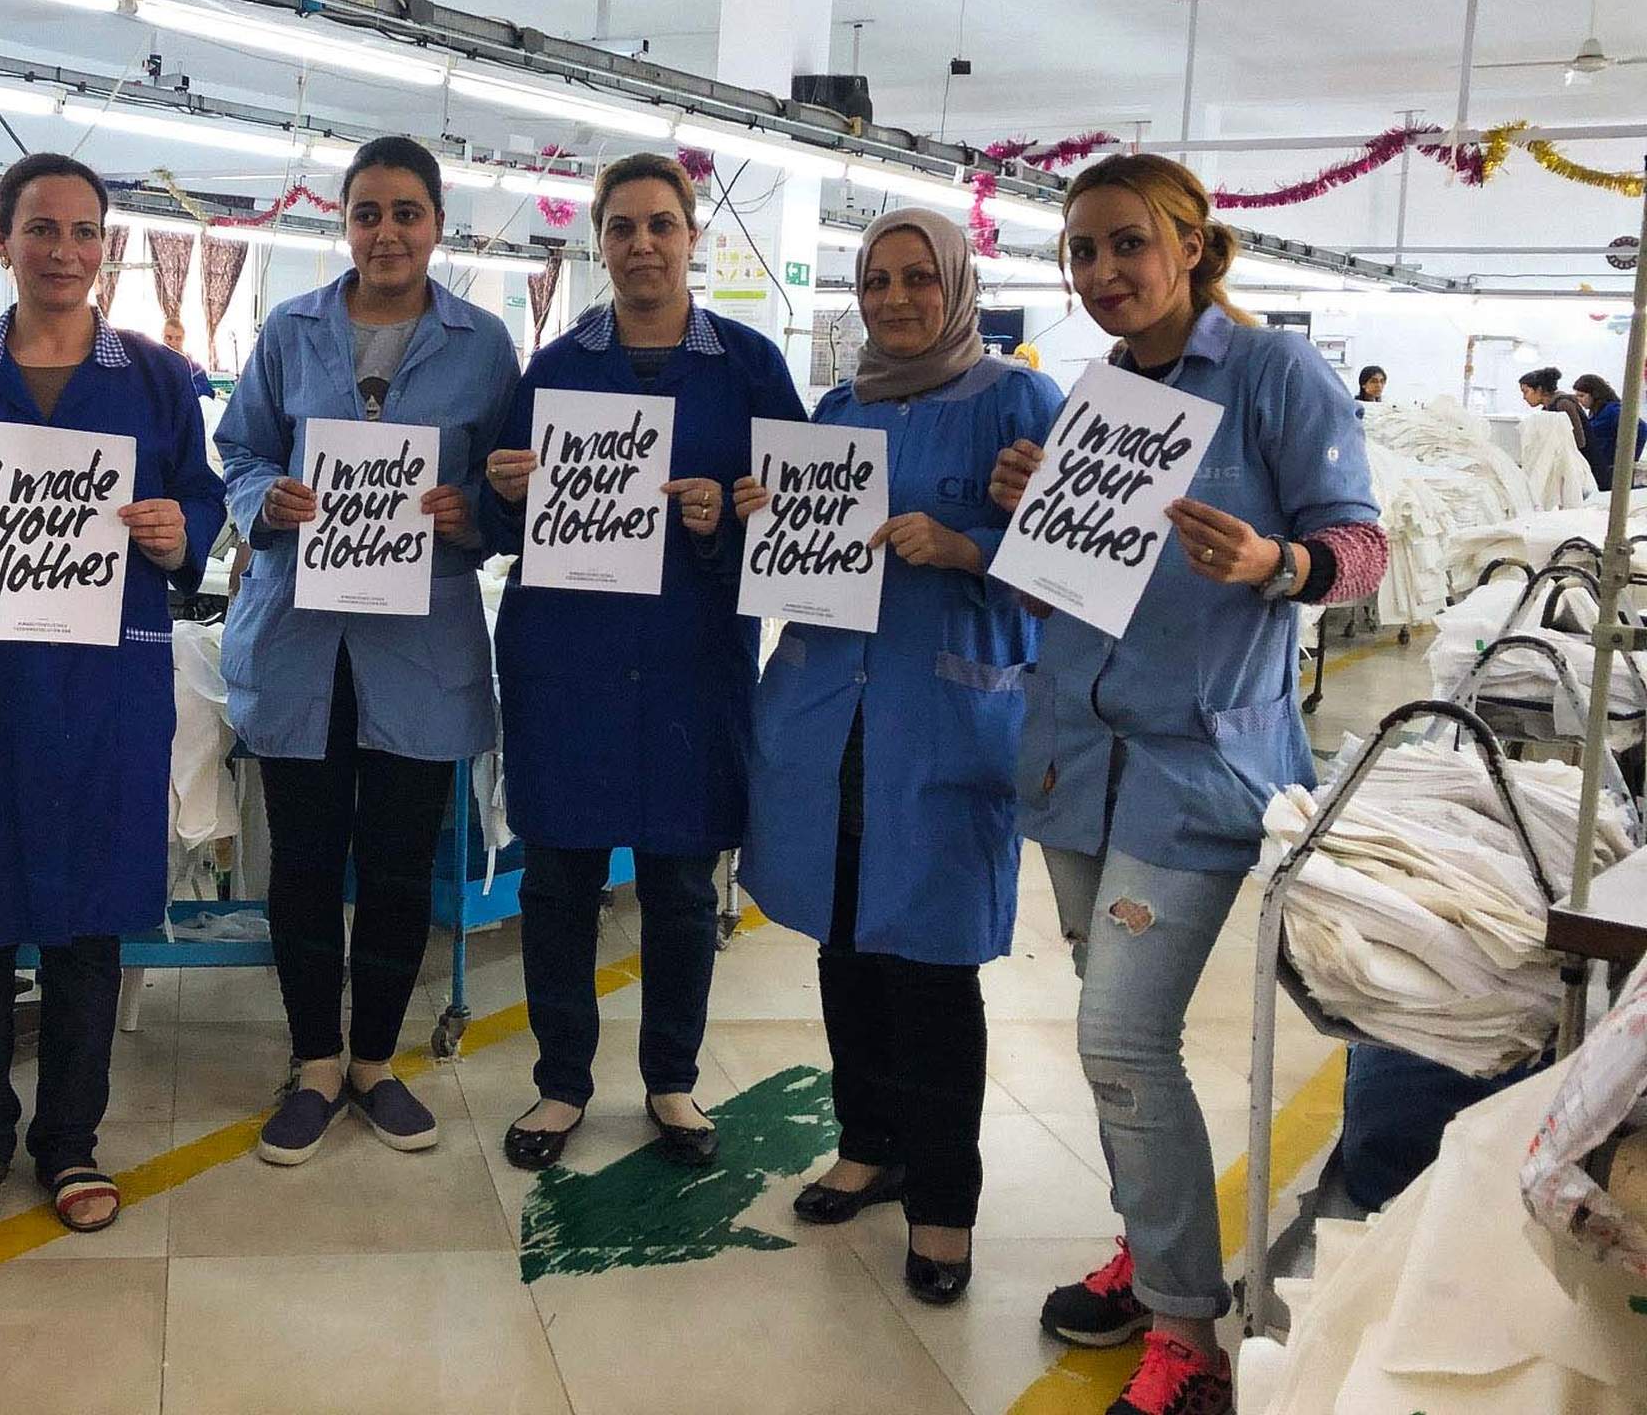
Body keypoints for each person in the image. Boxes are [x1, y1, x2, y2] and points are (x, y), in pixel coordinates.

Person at [987, 153, 1386, 1415]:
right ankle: (1148, 1244)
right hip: (1076, 756)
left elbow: (1364, 546)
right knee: (1114, 1053)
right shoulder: (1097, 399)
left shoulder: (1273, 377)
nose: (1104, 273)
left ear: (1191, 243)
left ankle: (1187, 1338)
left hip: (1197, 763)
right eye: (1083, 252)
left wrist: (1279, 560)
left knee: (1120, 1040)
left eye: (1126, 245)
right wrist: (1024, 510)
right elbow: (1065, 575)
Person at [0, 152, 223, 1233]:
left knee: (86, 922)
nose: (64, 251)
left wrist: (177, 533)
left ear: (104, 245)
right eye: (41, 230)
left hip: (105, 682)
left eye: (83, 231)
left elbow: (201, 509)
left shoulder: (159, 379)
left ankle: (71, 1141)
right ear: (3, 240)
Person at [737, 208, 1062, 1308]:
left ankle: (944, 1205)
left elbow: (1076, 567)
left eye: (918, 278)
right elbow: (793, 563)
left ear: (958, 284)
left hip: (944, 720)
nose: (895, 299)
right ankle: (869, 1144)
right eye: (875, 280)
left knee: (928, 969)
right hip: (827, 718)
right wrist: (762, 518)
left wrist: (968, 546)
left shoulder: (1018, 401)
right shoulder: (835, 409)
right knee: (842, 944)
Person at [484, 153, 805, 1172]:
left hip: (690, 662)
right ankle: (560, 1083)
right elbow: (497, 523)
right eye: (621, 228)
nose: (642, 246)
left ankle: (672, 1079)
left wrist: (723, 518)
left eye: (661, 225)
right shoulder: (556, 368)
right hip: (568, 665)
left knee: (677, 884)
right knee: (559, 882)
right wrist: (501, 485)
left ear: (693, 235)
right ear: (598, 239)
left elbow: (799, 528)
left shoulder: (751, 368)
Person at [215, 136, 518, 1164]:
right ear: (343, 225)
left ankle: (377, 1061)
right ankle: (312, 1063)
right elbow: (240, 447)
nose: (387, 232)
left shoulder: (483, 344)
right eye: (367, 213)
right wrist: (269, 499)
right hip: (301, 637)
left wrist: (465, 509)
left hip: (419, 643)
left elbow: (515, 483)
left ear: (437, 226)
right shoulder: (289, 330)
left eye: (407, 213)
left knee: (396, 867)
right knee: (303, 863)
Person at [1574, 371, 1645, 492]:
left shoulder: (1612, 411)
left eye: (1582, 396)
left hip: (1613, 469)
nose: (1579, 400)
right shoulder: (1596, 412)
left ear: (1594, 395)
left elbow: (1641, 428)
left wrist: (1628, 458)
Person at [1520, 365, 1590, 454]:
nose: (1524, 397)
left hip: (1583, 462)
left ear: (1539, 389)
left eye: (1526, 392)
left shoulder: (1563, 404)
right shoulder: (1547, 409)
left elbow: (1579, 441)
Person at [163, 316, 215, 398]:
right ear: (162, 337)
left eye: (178, 338)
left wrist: (181, 391)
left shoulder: (195, 368)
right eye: (168, 338)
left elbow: (207, 391)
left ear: (184, 339)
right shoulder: (151, 365)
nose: (173, 343)